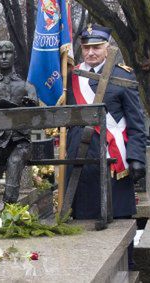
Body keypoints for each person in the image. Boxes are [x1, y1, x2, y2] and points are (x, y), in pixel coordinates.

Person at [66, 24, 146, 269]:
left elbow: (136, 123)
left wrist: (137, 158)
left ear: (107, 47)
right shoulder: (71, 76)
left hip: (113, 160)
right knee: (83, 218)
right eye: (86, 47)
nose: (91, 53)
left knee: (118, 217)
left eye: (96, 47)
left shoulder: (123, 76)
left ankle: (125, 266)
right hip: (80, 159)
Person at [0, 40, 38, 217]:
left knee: (15, 161)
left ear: (14, 56)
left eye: (8, 52)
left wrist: (31, 106)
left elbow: (38, 117)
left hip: (21, 143)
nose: (3, 57)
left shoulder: (27, 87)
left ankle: (9, 210)